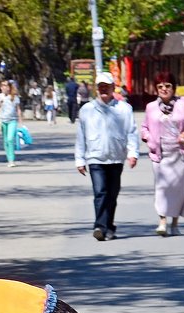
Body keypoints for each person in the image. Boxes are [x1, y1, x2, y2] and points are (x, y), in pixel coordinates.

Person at [75, 71, 139, 241]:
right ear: (96, 89)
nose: (104, 89)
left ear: (113, 88)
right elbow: (81, 136)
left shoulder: (124, 109)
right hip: (95, 157)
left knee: (112, 195)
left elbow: (131, 132)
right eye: (100, 87)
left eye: (107, 86)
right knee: (100, 192)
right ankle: (99, 226)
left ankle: (109, 227)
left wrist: (133, 153)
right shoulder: (87, 110)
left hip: (116, 157)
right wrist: (80, 159)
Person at [140, 71, 184, 236]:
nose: (164, 89)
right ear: (156, 89)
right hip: (160, 153)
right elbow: (144, 128)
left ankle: (175, 223)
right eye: (160, 86)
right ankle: (162, 221)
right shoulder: (151, 107)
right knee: (162, 186)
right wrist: (148, 137)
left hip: (180, 153)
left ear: (174, 87)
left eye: (168, 86)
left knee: (179, 188)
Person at [0, 80, 22, 166]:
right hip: (3, 120)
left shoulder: (14, 97)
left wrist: (20, 120)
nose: (4, 87)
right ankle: (9, 159)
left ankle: (12, 160)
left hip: (12, 120)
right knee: (5, 140)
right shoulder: (0, 96)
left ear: (9, 87)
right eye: (2, 86)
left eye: (6, 86)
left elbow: (18, 108)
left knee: (10, 139)